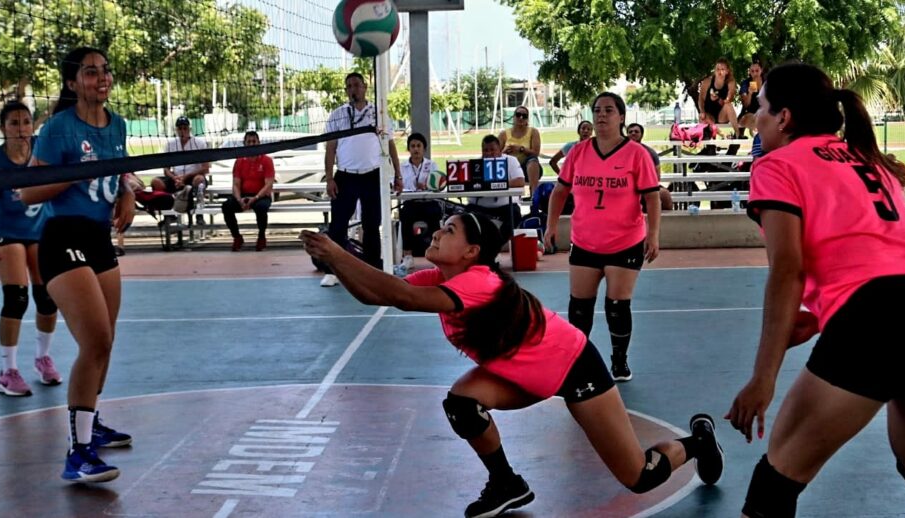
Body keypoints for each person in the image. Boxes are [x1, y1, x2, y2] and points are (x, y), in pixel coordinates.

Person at [300, 212, 723, 518]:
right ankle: (506, 483)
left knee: (639, 476)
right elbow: (379, 294)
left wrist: (338, 252)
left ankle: (698, 443)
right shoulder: (442, 279)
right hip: (521, 374)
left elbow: (400, 296)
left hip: (574, 367)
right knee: (462, 403)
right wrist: (333, 260)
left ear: (471, 251)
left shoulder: (479, 282)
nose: (437, 232)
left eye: (449, 230)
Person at [726, 62, 905, 518]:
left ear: (783, 117)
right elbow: (882, 252)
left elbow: (787, 270)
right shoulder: (868, 159)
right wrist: (823, 314)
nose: (755, 119)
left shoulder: (777, 164)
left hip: (875, 319)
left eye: (760, 108)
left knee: (775, 483)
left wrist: (763, 378)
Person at [21, 47, 135, 484]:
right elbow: (28, 194)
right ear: (73, 83)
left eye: (105, 70)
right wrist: (75, 170)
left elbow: (123, 171)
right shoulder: (58, 130)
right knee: (95, 341)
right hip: (62, 239)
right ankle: (78, 453)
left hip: (98, 239)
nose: (101, 78)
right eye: (90, 73)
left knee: (106, 343)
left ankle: (93, 420)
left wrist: (126, 194)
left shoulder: (118, 124)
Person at [545, 93, 661, 382]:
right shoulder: (579, 152)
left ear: (621, 117)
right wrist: (550, 226)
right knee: (580, 307)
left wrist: (654, 234)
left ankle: (619, 361)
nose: (601, 115)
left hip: (625, 241)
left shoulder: (636, 154)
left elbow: (652, 196)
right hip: (585, 240)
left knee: (617, 305)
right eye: (597, 110)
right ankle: (577, 360)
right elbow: (560, 191)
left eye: (609, 110)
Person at [0, 100, 60, 396]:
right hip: (7, 234)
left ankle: (42, 359)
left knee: (47, 297)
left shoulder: (41, 149)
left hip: (38, 232)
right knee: (17, 298)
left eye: (26, 121)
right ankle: (7, 372)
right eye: (14, 123)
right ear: (3, 129)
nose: (21, 128)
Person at [321, 72, 401, 287]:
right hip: (346, 175)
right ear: (346, 90)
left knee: (371, 224)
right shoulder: (338, 115)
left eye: (356, 85)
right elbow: (330, 148)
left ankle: (373, 268)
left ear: (365, 87)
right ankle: (332, 270)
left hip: (372, 175)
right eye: (349, 86)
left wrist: (398, 175)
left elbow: (390, 145)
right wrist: (329, 178)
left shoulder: (378, 113)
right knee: (338, 226)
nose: (353, 89)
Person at [467, 135, 527, 246]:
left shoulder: (511, 161)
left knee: (515, 214)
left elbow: (520, 181)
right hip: (480, 206)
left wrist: (497, 184)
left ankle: (494, 246)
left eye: (492, 150)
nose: (489, 153)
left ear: (500, 150)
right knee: (464, 216)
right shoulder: (475, 164)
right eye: (485, 150)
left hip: (505, 206)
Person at [397, 132, 443, 273]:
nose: (416, 149)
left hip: (428, 201)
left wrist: (428, 186)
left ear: (424, 148)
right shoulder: (401, 167)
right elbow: (398, 186)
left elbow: (439, 186)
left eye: (419, 146)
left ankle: (437, 255)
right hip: (411, 202)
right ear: (409, 149)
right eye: (412, 146)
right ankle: (408, 256)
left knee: (434, 214)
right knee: (406, 215)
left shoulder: (432, 165)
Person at [222, 131, 275, 252]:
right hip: (244, 195)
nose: (251, 144)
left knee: (261, 208)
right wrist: (239, 199)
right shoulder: (240, 161)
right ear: (244, 144)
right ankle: (237, 237)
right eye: (249, 142)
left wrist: (255, 198)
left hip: (261, 196)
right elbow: (235, 184)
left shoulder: (266, 160)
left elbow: (269, 185)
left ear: (259, 143)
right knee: (226, 206)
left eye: (254, 141)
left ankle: (261, 237)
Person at [153, 115, 209, 197]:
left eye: (185, 128)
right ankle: (166, 203)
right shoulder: (170, 144)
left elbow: (206, 168)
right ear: (176, 130)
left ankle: (196, 204)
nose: (182, 131)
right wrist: (174, 178)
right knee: (155, 182)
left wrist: (186, 176)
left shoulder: (200, 143)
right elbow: (166, 169)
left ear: (189, 129)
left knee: (199, 180)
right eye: (180, 128)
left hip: (192, 177)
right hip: (175, 178)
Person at [626, 123, 674, 212]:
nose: (633, 133)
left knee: (665, 195)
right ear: (627, 134)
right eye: (630, 132)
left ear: (642, 135)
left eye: (636, 131)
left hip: (646, 186)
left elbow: (657, 177)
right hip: (625, 186)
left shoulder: (650, 153)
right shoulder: (621, 152)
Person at [498, 106, 543, 192]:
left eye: (524, 116)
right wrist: (504, 152)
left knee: (533, 159)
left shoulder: (533, 132)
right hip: (509, 169)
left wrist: (522, 149)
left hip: (527, 168)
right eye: (518, 115)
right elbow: (495, 154)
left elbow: (536, 153)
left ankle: (534, 194)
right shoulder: (504, 134)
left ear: (527, 119)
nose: (521, 118)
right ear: (514, 117)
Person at [697, 58, 740, 136]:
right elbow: (701, 99)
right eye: (717, 69)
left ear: (727, 71)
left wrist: (718, 99)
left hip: (722, 115)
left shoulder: (731, 82)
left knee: (728, 105)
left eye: (722, 69)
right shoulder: (707, 82)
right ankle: (721, 135)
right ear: (714, 70)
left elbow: (729, 99)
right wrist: (702, 111)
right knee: (702, 117)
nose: (719, 71)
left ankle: (737, 134)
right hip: (709, 115)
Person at [737, 61, 765, 137]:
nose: (755, 73)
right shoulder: (745, 83)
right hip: (747, 113)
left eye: (757, 70)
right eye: (752, 71)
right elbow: (746, 105)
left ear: (761, 70)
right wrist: (749, 93)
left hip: (763, 113)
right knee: (738, 137)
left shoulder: (766, 82)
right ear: (749, 71)